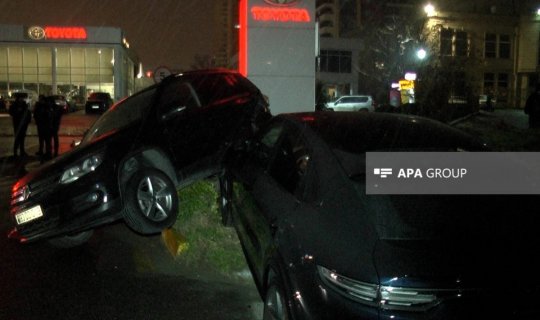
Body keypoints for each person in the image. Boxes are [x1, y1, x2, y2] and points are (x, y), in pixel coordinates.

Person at [8, 93, 32, 158]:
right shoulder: (14, 105)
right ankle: (15, 152)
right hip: (17, 124)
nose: (21, 99)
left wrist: (28, 121)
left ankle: (22, 151)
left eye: (22, 98)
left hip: (24, 124)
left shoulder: (25, 105)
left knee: (22, 138)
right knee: (17, 138)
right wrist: (17, 112)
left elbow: (28, 113)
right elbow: (11, 112)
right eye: (20, 98)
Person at [33, 95, 53, 161]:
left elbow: (49, 116)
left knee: (47, 140)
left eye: (41, 99)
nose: (40, 101)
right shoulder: (39, 106)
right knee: (41, 139)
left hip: (46, 125)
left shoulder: (46, 106)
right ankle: (42, 151)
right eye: (40, 99)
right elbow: (35, 114)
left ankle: (48, 152)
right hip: (41, 125)